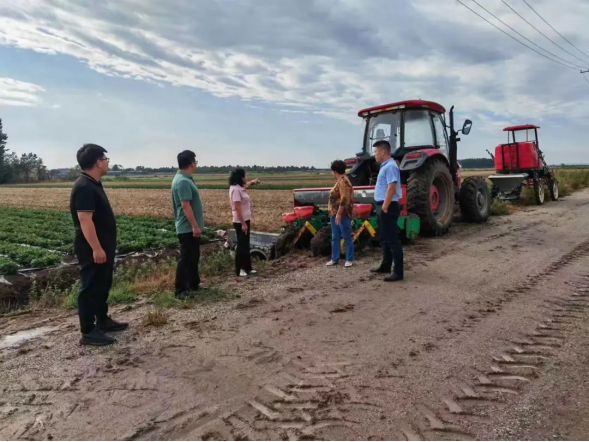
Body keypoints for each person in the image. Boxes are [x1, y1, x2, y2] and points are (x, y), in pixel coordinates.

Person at [70, 144, 128, 347]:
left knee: (103, 283)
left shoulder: (93, 183)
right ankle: (88, 331)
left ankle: (102, 320)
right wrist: (96, 248)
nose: (107, 161)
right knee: (90, 286)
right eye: (105, 158)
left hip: (103, 245)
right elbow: (85, 220)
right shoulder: (84, 187)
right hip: (91, 248)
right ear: (97, 162)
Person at [172, 150, 205, 298]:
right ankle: (180, 290)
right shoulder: (183, 181)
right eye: (195, 162)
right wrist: (195, 226)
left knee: (193, 256)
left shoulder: (185, 178)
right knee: (186, 258)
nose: (196, 165)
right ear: (191, 163)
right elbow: (186, 206)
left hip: (189, 227)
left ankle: (193, 284)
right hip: (187, 227)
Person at [371, 140, 404, 281]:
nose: (375, 155)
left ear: (383, 152)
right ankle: (386, 265)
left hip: (387, 206)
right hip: (382, 205)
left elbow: (392, 187)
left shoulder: (390, 166)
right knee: (384, 238)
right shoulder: (386, 166)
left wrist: (384, 205)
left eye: (376, 152)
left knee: (392, 240)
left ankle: (398, 272)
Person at [229, 168, 261, 277]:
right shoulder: (235, 190)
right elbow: (237, 209)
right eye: (244, 176)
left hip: (245, 220)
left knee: (246, 244)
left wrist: (252, 182)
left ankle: (248, 268)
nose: (245, 178)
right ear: (240, 177)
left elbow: (245, 186)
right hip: (240, 221)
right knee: (241, 245)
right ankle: (240, 269)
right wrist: (243, 224)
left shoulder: (239, 188)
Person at [326, 160, 355, 267]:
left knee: (346, 235)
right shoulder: (339, 181)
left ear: (335, 171)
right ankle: (334, 258)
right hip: (334, 213)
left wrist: (339, 214)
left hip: (342, 214)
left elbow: (344, 199)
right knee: (335, 236)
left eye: (332, 171)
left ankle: (349, 259)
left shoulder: (344, 182)